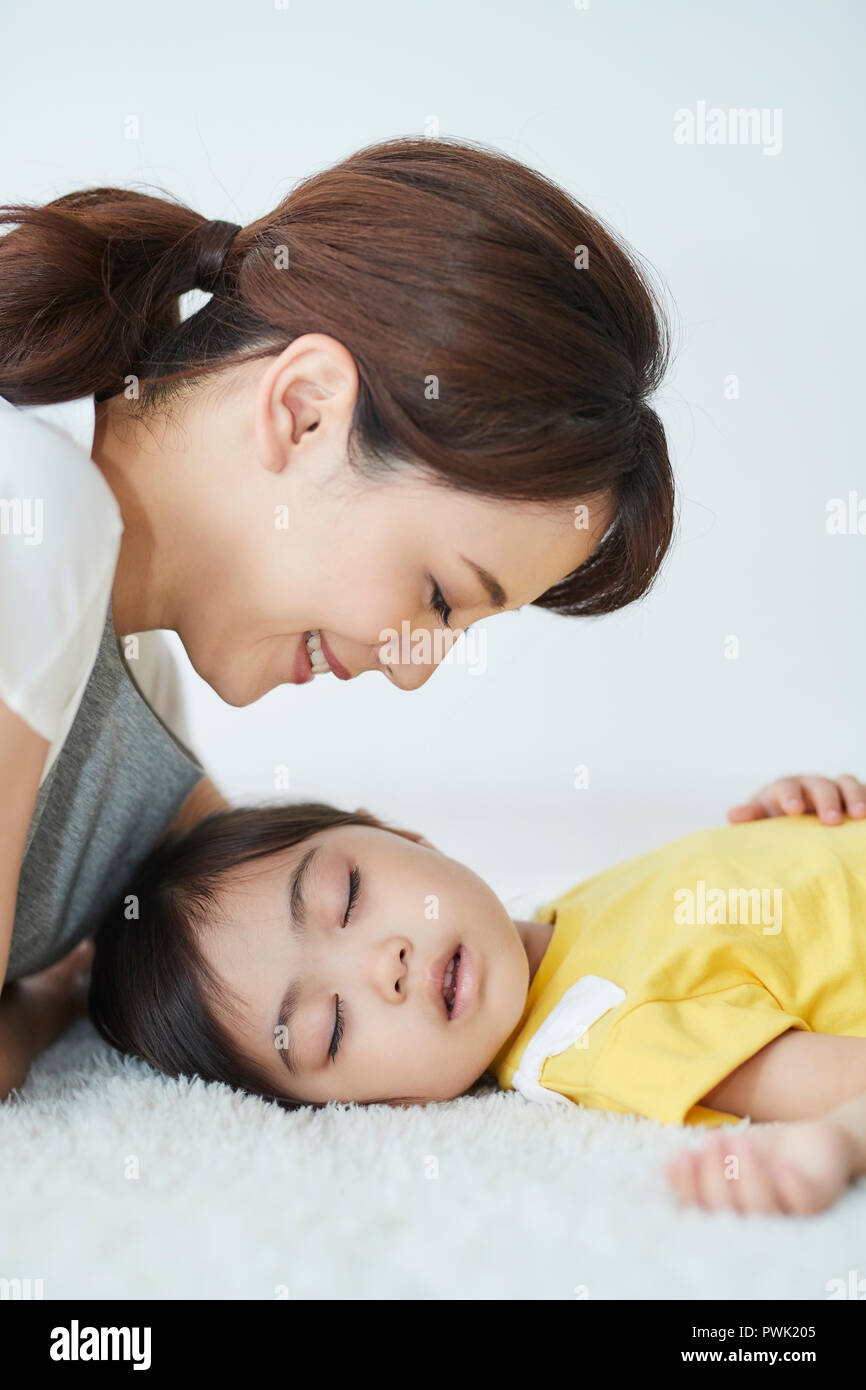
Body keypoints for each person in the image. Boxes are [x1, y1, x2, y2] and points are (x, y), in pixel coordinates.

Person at [0, 136, 675, 1022]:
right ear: (305, 410)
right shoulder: (37, 515)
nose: (412, 667)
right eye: (440, 597)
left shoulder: (126, 686)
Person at [74, 771, 866, 1218]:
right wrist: (833, 1144)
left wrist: (798, 827)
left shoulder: (569, 914)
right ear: (388, 1106)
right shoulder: (603, 1035)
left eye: (347, 897)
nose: (380, 967)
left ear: (399, 834)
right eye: (330, 1028)